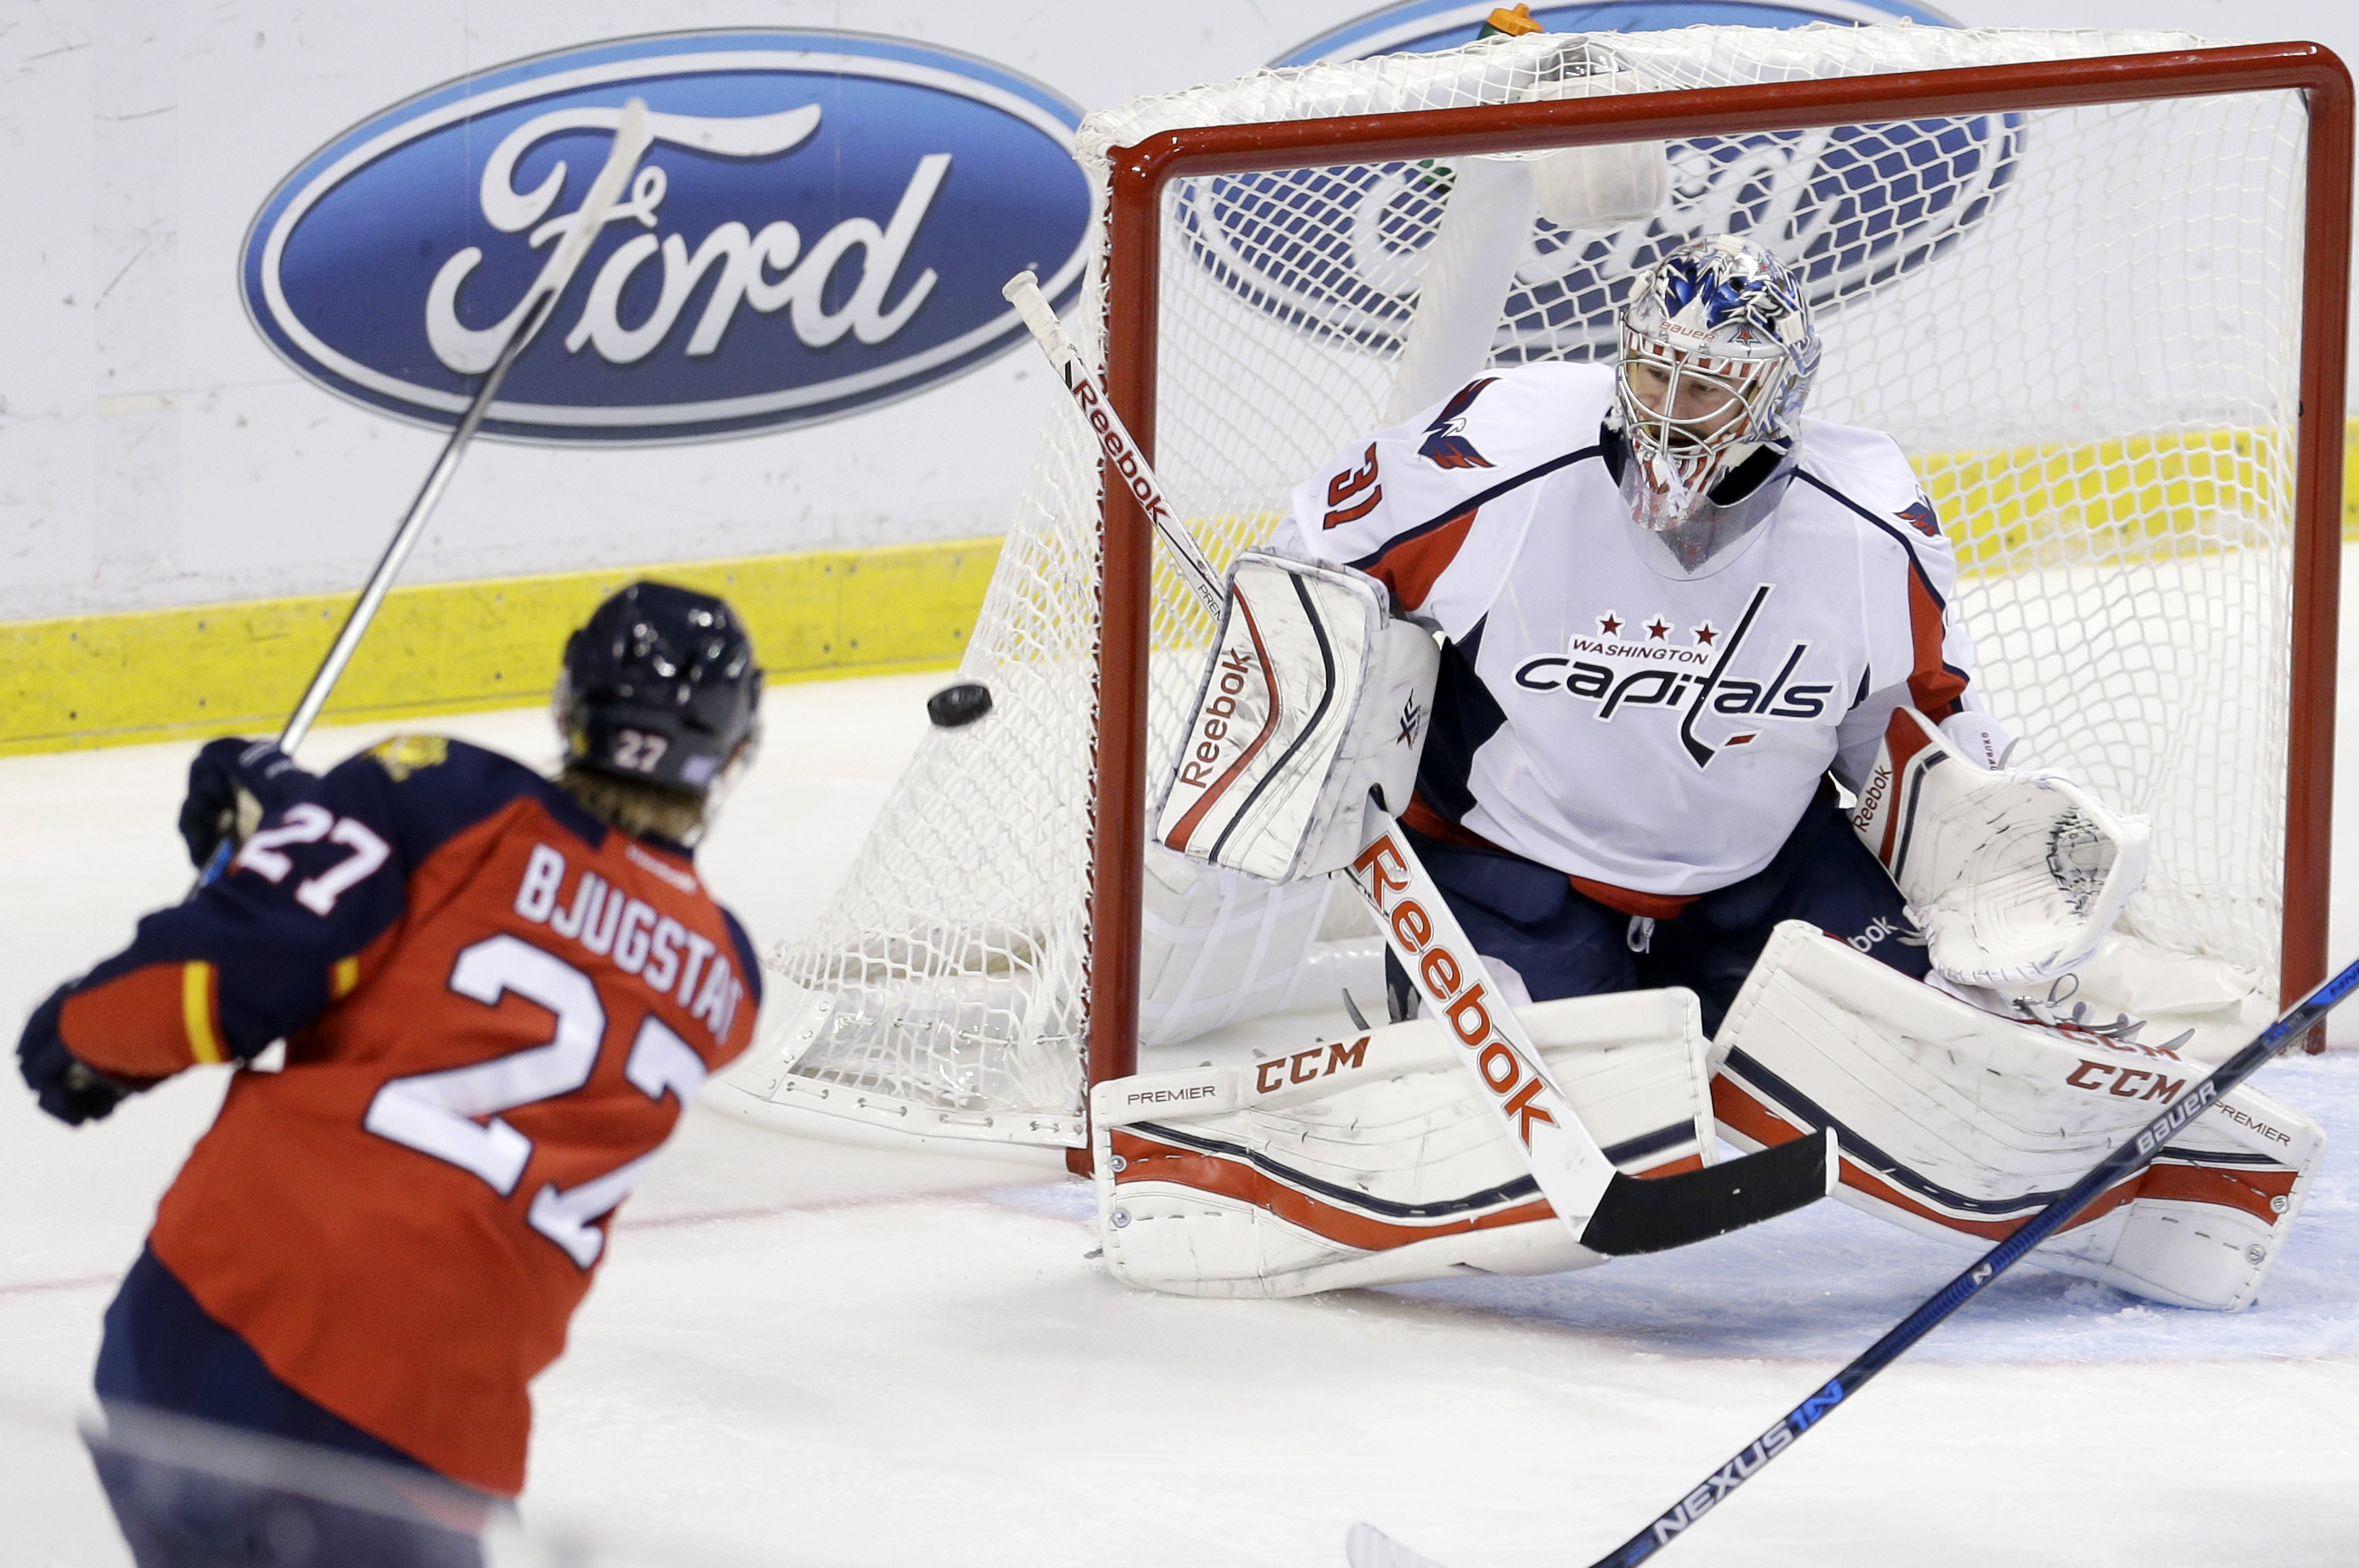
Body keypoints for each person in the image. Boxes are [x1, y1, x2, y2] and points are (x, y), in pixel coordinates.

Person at [18, 581, 765, 1565]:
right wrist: (306, 814)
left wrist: (79, 1040)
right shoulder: (726, 982)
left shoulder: (438, 792)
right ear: (736, 754)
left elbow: (246, 966)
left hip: (218, 1322)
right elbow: (542, 926)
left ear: (566, 703)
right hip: (431, 1430)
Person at [1282, 233, 2017, 1033]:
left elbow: (1908, 732)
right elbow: (1306, 573)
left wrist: (1985, 854)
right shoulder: (1500, 452)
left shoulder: (1869, 528)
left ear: (1778, 396)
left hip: (1767, 877)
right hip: (1506, 868)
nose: (1666, 414)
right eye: (1654, 373)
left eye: (1705, 387)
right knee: (1556, 1106)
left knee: (1940, 1044)